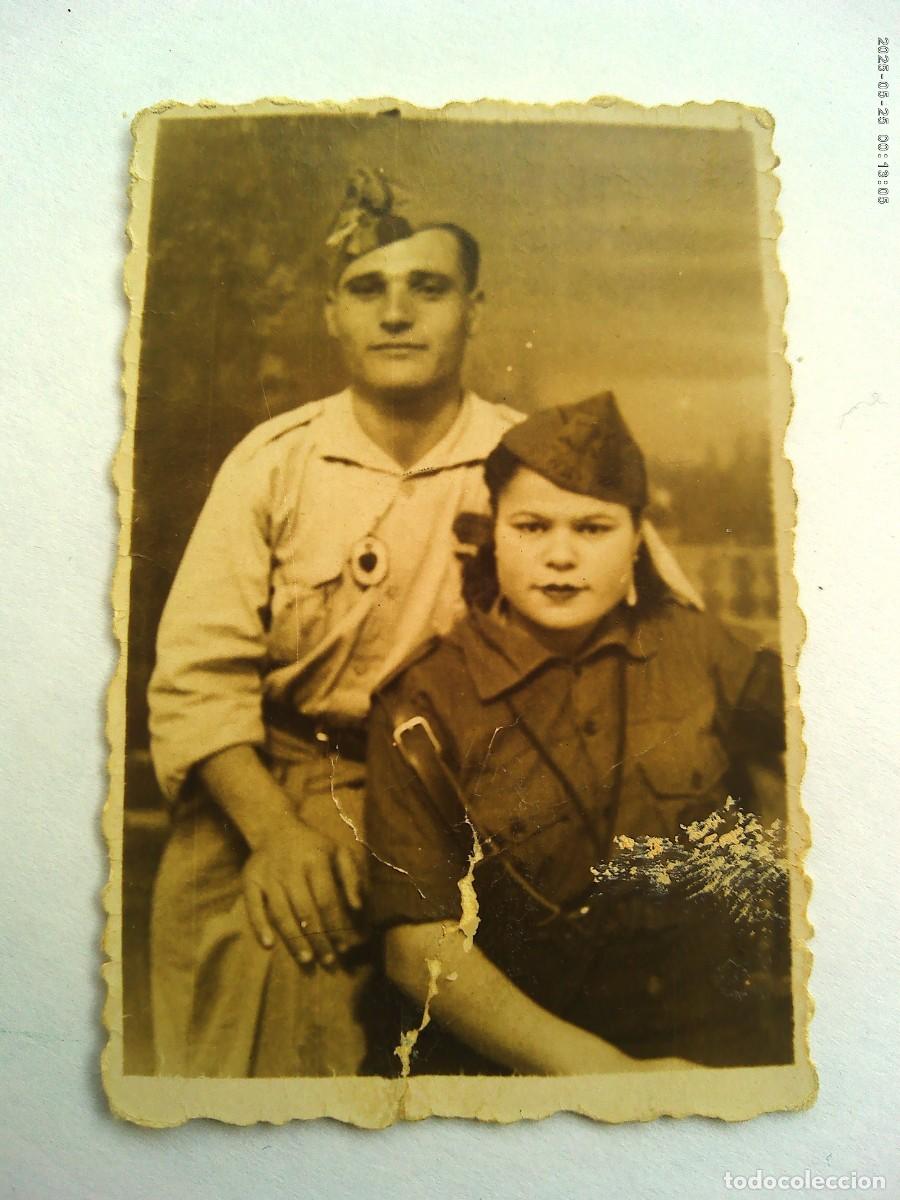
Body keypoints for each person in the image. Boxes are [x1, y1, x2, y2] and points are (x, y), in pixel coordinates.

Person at [147, 170, 701, 1077]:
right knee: (262, 1002)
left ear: (474, 309)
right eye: (368, 289)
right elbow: (197, 680)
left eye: (428, 288)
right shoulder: (276, 463)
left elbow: (672, 625)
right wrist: (277, 837)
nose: (396, 313)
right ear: (332, 312)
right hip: (279, 778)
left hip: (469, 793)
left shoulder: (531, 463)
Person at [365, 393, 792, 1076]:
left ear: (638, 537)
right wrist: (608, 1076)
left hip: (711, 1042)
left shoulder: (699, 649)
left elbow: (836, 734)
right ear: (491, 533)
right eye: (532, 527)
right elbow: (416, 949)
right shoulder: (424, 701)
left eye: (593, 529)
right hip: (512, 1072)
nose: (561, 556)